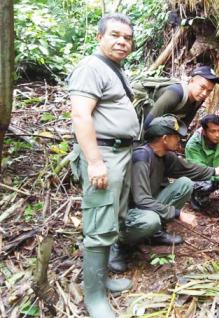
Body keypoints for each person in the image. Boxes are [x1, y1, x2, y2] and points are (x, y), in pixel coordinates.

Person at [68, 13, 137, 318]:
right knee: (99, 220)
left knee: (112, 217)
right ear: (99, 37)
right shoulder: (91, 68)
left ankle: (103, 281)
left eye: (127, 37)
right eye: (115, 35)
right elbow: (81, 116)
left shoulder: (114, 69)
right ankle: (94, 298)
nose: (122, 41)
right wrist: (95, 162)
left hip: (120, 154)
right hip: (104, 154)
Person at [108, 115, 219, 273]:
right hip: (128, 214)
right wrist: (177, 213)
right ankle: (119, 243)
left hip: (146, 207)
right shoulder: (141, 157)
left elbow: (189, 169)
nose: (179, 141)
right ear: (165, 139)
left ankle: (154, 234)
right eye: (176, 137)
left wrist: (216, 171)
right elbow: (142, 200)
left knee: (185, 184)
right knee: (150, 220)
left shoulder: (165, 156)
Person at [143, 65, 219, 129]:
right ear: (191, 81)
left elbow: (184, 125)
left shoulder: (198, 99)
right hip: (143, 119)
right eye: (202, 87)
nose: (205, 93)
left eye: (209, 91)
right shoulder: (175, 93)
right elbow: (149, 123)